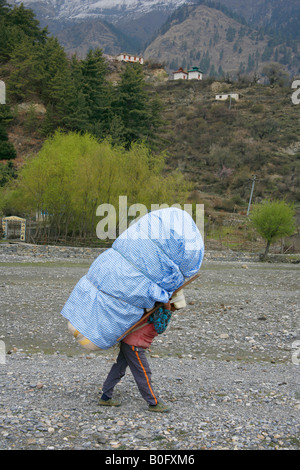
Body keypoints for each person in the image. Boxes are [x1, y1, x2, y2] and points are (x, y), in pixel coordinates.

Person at [99, 301, 175, 413]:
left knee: (118, 369)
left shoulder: (151, 307)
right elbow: (160, 328)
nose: (174, 310)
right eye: (174, 308)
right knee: (143, 373)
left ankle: (105, 397)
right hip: (134, 345)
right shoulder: (159, 310)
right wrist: (167, 310)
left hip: (128, 341)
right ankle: (153, 402)